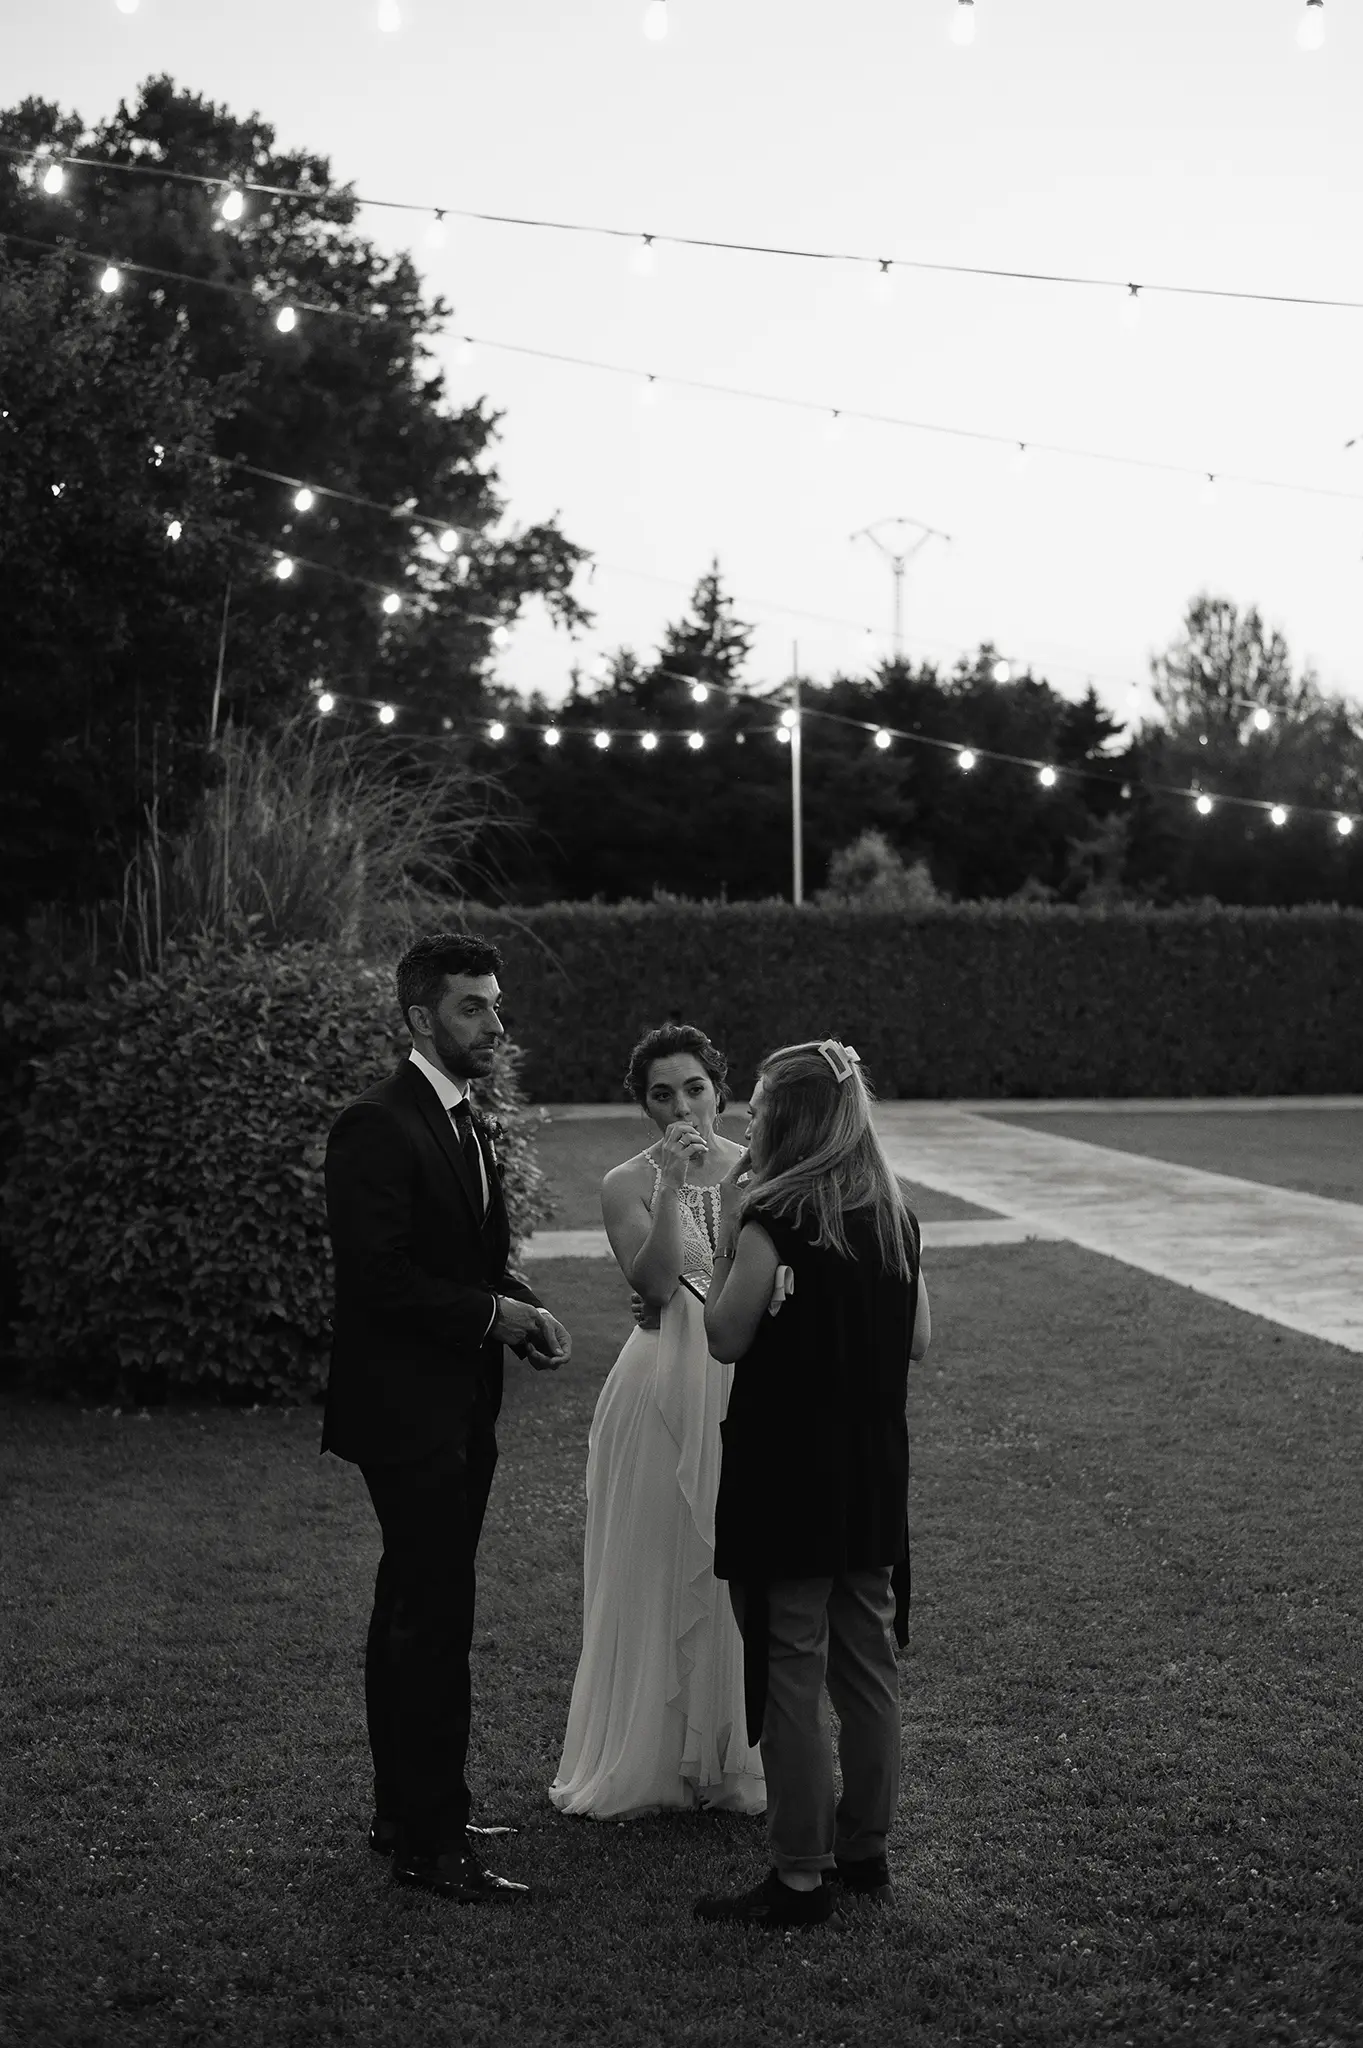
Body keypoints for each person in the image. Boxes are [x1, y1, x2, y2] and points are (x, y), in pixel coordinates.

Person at [322, 930, 572, 1904]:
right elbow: (377, 1276)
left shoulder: (467, 1118)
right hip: (405, 1412)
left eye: (496, 1003)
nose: (495, 1022)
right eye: (474, 1006)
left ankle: (408, 1813)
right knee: (431, 1618)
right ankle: (431, 1841)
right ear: (422, 1017)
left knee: (413, 1607)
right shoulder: (375, 1123)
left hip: (462, 1404)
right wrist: (488, 1316)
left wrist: (522, 1308)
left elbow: (470, 1258)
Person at [693, 1037, 932, 1929]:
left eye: (757, 1108)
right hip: (870, 1473)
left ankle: (799, 1874)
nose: (747, 1121)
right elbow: (917, 1339)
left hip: (786, 1473)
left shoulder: (773, 1219)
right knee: (867, 1663)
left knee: (790, 1663)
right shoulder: (895, 1217)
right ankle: (864, 1852)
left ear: (788, 1121)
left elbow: (723, 1336)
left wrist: (728, 1229)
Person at [549, 1025, 766, 1820]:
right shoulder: (624, 1183)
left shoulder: (760, 1166)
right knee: (655, 1558)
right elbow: (654, 1283)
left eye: (694, 1088)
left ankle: (733, 1755)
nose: (681, 1107)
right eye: (661, 1095)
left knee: (738, 1567)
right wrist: (671, 1186)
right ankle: (651, 1758)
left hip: (746, 1386)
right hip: (656, 1390)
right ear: (643, 1105)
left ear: (719, 1089)